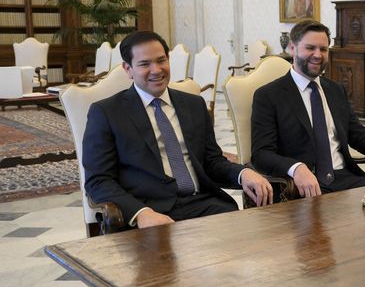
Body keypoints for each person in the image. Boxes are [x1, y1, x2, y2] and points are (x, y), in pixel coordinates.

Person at [83, 31, 273, 230]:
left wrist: (243, 173)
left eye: (161, 60)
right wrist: (140, 214)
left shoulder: (194, 104)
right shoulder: (106, 113)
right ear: (128, 69)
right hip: (150, 212)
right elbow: (98, 180)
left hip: (205, 206)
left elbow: (212, 162)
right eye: (145, 64)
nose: (156, 70)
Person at [251, 19, 365, 198]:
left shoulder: (335, 90)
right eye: (310, 48)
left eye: (323, 49)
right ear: (293, 48)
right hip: (302, 186)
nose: (318, 55)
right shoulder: (268, 95)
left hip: (346, 179)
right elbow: (261, 154)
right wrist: (296, 168)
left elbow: (358, 135)